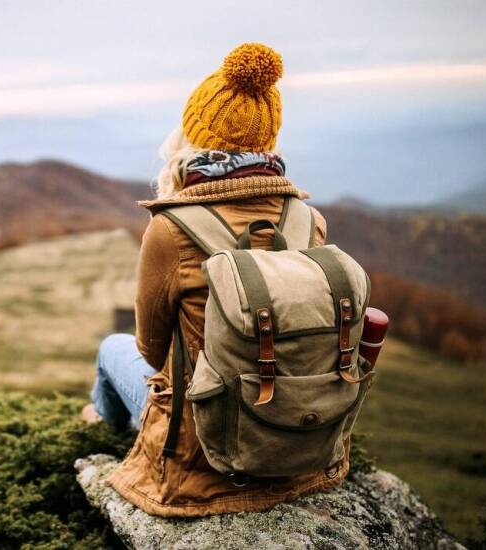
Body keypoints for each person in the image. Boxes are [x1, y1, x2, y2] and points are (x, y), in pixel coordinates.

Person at [82, 43, 343, 516]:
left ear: (194, 137)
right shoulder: (309, 221)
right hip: (296, 429)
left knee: (111, 349)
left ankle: (99, 423)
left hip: (205, 450)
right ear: (269, 142)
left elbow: (151, 352)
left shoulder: (171, 228)